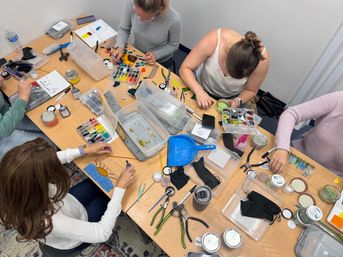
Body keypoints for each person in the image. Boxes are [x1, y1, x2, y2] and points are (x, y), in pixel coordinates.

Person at [0, 138, 136, 256]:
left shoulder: (15, 184)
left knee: (100, 184)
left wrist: (84, 151)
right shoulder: (51, 222)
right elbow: (102, 232)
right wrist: (120, 188)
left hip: (68, 206)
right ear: (39, 183)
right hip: (70, 241)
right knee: (109, 197)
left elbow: (40, 163)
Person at [180, 28, 269, 109]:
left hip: (229, 99)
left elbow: (251, 90)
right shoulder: (214, 40)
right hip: (199, 85)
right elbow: (185, 68)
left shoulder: (261, 59)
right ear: (227, 55)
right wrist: (199, 91)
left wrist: (237, 100)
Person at [270, 91, 343, 177]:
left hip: (330, 180)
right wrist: (282, 147)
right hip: (297, 156)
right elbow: (291, 114)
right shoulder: (339, 99)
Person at [112, 0, 181, 69]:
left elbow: (173, 45)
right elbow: (124, 29)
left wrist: (156, 55)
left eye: (146, 18)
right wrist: (120, 46)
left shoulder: (174, 19)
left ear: (158, 10)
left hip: (160, 61)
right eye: (138, 15)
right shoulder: (131, 2)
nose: (140, 20)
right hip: (137, 53)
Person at [0, 77, 45, 157]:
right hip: (3, 134)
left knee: (47, 125)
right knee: (45, 146)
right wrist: (23, 97)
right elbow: (3, 130)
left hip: (5, 117)